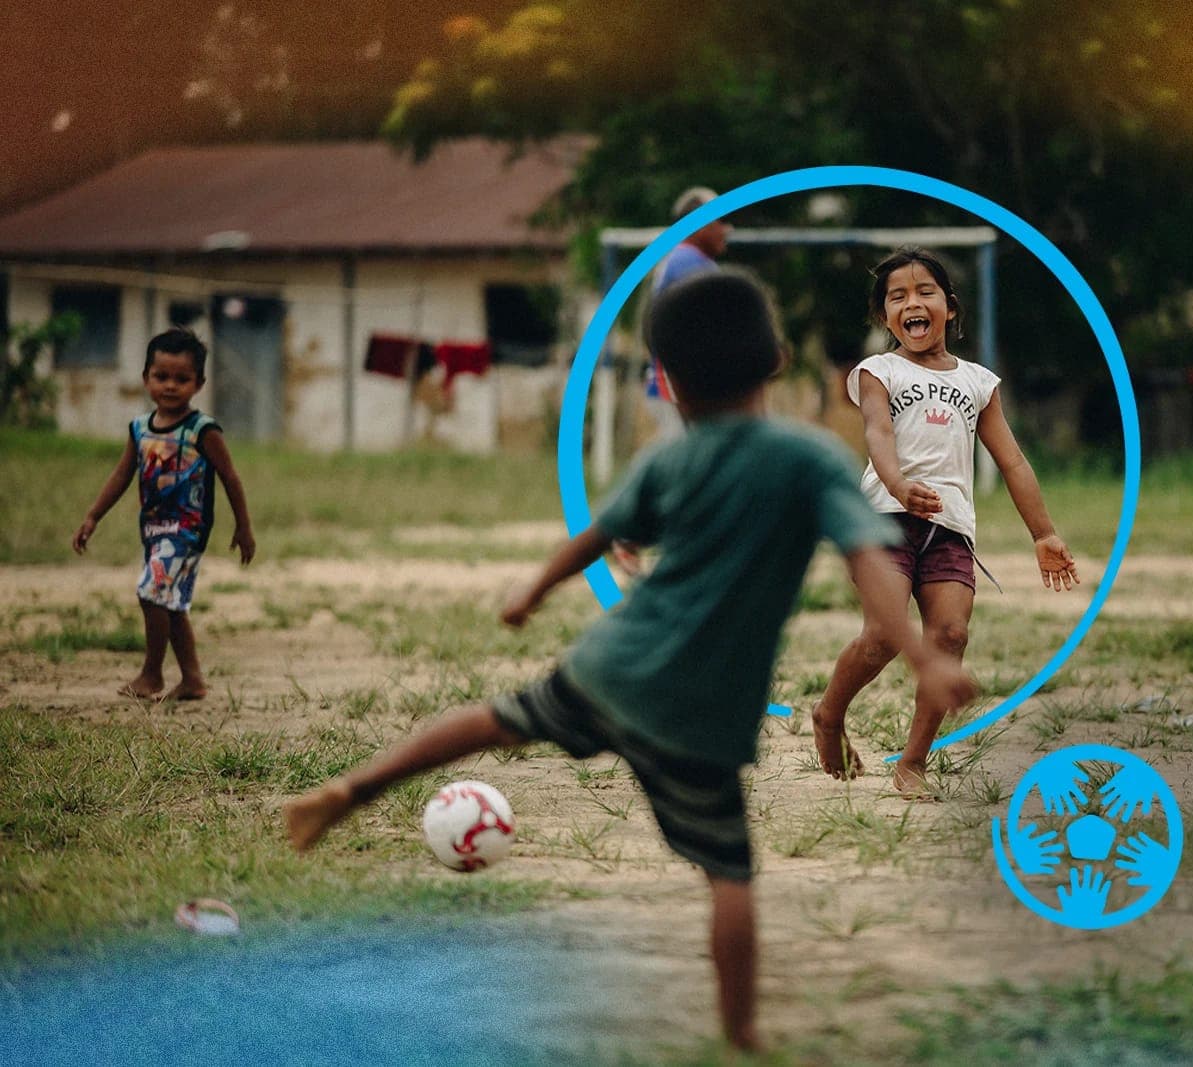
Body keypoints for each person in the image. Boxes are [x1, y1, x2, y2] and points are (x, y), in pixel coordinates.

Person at [284, 270, 976, 1052]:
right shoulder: (808, 459)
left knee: (493, 720)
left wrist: (532, 588)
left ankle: (353, 787)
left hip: (609, 668)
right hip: (696, 716)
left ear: (670, 381)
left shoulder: (667, 458)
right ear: (779, 359)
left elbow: (597, 533)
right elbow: (868, 560)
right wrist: (921, 654)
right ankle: (742, 1030)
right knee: (729, 878)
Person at [811, 246, 1080, 797]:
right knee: (883, 636)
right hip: (883, 519)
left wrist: (1044, 532)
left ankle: (913, 762)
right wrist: (897, 485)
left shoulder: (979, 382)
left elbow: (1013, 460)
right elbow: (878, 435)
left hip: (950, 529)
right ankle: (829, 715)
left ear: (950, 308)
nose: (913, 302)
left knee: (952, 634)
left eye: (925, 291)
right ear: (885, 317)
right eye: (898, 297)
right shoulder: (877, 371)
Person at [72, 327, 255, 701]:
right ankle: (192, 680)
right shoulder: (140, 429)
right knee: (170, 602)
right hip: (155, 527)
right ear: (145, 378)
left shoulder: (202, 430)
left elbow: (230, 477)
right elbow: (123, 475)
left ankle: (151, 674)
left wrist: (244, 526)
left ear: (199, 383)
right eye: (161, 376)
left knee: (151, 593)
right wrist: (93, 516)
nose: (170, 386)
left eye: (181, 379)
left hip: (187, 529)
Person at [642, 185, 730, 440]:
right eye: (720, 221)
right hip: (682, 386)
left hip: (671, 383)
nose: (727, 229)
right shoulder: (690, 262)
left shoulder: (677, 259)